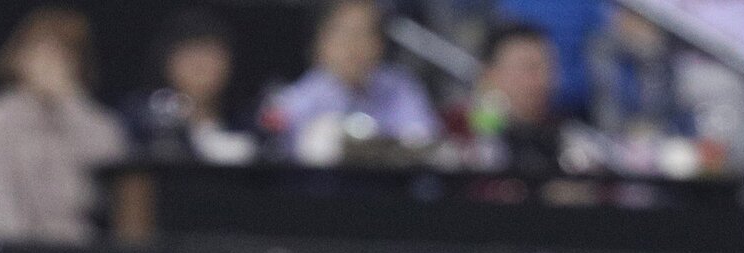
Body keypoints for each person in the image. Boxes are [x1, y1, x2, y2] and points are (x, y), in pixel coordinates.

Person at [0, 8, 128, 244]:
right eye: (41, 51)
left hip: (81, 247)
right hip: (16, 248)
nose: (50, 63)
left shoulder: (89, 118)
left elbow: (113, 166)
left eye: (63, 55)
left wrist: (70, 100)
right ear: (19, 56)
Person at [263, 0, 439, 157]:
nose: (353, 46)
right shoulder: (296, 100)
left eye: (364, 33)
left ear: (380, 43)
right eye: (344, 33)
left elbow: (425, 142)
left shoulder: (401, 88)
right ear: (321, 42)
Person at [123, 9, 256, 164]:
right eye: (189, 55)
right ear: (167, 62)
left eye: (209, 54)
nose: (199, 67)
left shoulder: (250, 124)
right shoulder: (142, 123)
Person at [461, 22, 571, 175]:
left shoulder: (567, 138)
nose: (543, 79)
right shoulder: (454, 131)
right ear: (489, 74)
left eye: (548, 68)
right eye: (529, 68)